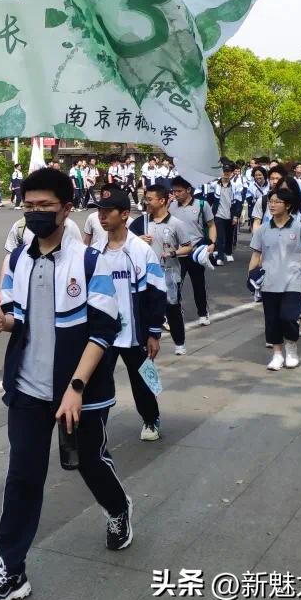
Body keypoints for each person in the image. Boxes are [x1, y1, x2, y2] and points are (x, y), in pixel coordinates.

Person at [0, 169, 130, 600]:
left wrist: (76, 387)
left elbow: (104, 329)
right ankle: (12, 569)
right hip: (28, 389)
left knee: (88, 464)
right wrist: (3, 322)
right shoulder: (21, 257)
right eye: (29, 206)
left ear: (67, 208)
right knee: (23, 475)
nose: (35, 214)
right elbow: (17, 316)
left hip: (77, 391)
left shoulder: (88, 262)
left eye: (45, 206)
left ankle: (118, 509)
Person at [95, 187, 167, 441]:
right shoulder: (95, 251)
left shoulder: (140, 250)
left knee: (144, 379)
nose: (102, 217)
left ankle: (151, 419)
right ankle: (95, 428)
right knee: (97, 382)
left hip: (136, 334)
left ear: (124, 214)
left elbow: (158, 291)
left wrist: (154, 332)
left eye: (107, 212)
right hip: (104, 334)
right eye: (100, 212)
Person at [249, 188, 301, 371]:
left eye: (277, 201)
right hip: (269, 283)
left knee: (288, 317)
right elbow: (256, 254)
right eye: (270, 201)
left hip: (293, 282)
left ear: (288, 205)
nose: (272, 204)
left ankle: (291, 349)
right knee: (272, 320)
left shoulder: (299, 228)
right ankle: (277, 354)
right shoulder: (262, 230)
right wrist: (251, 276)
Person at [130, 184, 195, 355]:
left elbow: (188, 247)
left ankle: (179, 342)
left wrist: (174, 252)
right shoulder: (141, 222)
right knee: (145, 309)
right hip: (145, 275)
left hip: (169, 274)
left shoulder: (176, 224)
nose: (146, 202)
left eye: (150, 199)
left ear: (162, 201)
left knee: (172, 308)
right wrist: (138, 239)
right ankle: (146, 342)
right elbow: (127, 241)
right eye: (146, 199)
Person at [168, 176, 216, 325]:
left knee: (198, 284)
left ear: (188, 190)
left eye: (179, 191)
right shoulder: (171, 206)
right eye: (174, 191)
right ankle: (175, 314)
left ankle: (203, 312)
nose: (175, 194)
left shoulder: (202, 205)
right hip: (178, 252)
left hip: (196, 252)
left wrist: (212, 243)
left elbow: (211, 225)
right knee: (175, 285)